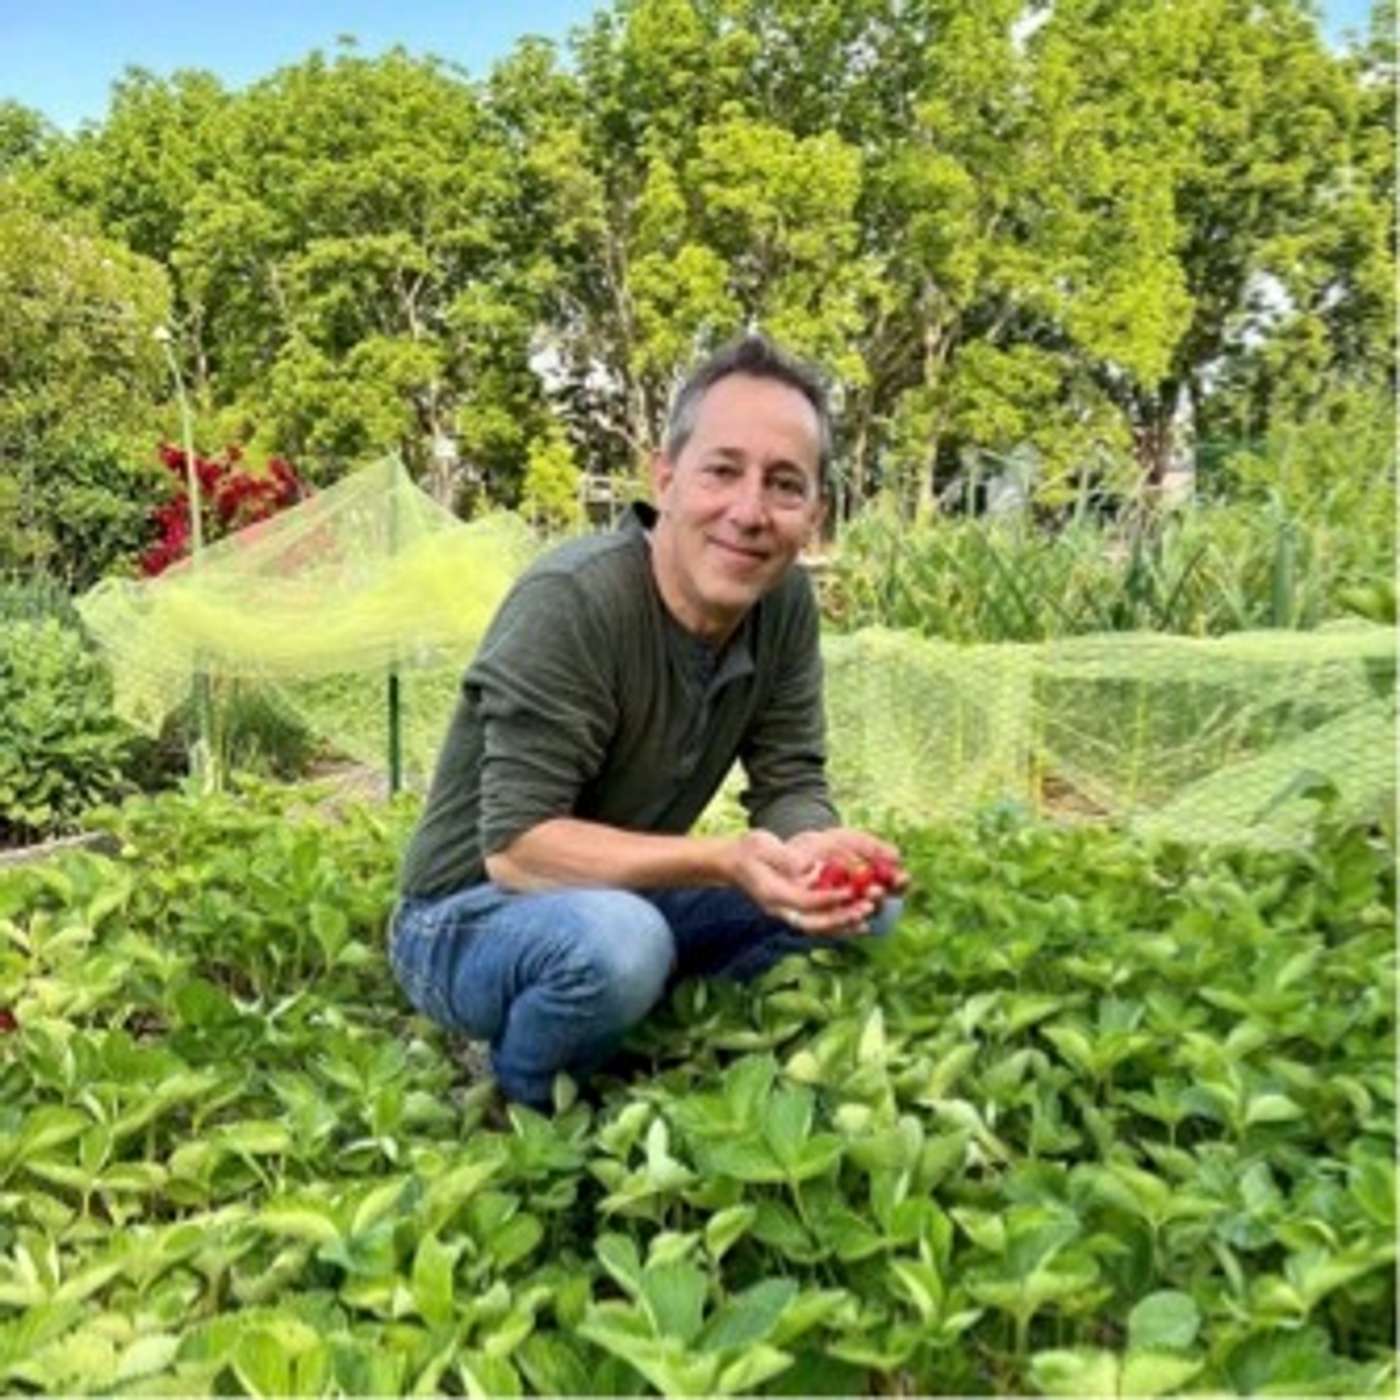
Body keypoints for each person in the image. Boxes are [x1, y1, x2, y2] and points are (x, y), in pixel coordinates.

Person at [389, 333, 905, 1108]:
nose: (750, 511)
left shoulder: (783, 603)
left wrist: (816, 853)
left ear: (815, 514)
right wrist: (726, 860)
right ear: (665, 478)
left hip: (623, 896)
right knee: (621, 945)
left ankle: (629, 1030)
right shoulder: (574, 601)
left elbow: (791, 776)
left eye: (785, 485)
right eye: (723, 471)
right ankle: (519, 1100)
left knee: (865, 907)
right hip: (464, 918)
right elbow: (517, 852)